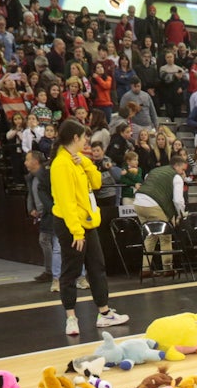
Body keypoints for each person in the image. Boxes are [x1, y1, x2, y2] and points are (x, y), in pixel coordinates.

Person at [50, 119, 129, 336]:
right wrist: (76, 231)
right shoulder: (60, 164)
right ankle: (71, 317)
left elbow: (96, 183)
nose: (86, 141)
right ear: (75, 137)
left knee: (97, 266)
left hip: (87, 222)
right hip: (70, 225)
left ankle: (104, 313)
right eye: (84, 137)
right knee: (71, 270)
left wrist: (85, 162)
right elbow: (66, 202)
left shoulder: (78, 160)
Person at [132, 152, 186, 275]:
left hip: (138, 203)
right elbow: (178, 200)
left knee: (151, 235)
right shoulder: (176, 177)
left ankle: (145, 269)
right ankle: (168, 268)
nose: (183, 173)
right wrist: (181, 215)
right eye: (182, 169)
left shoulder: (155, 170)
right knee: (165, 236)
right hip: (153, 204)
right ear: (176, 166)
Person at [24, 150, 61, 288]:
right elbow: (31, 195)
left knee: (51, 242)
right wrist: (31, 209)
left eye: (27, 159)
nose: (25, 163)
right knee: (46, 240)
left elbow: (49, 194)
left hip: (51, 212)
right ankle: (50, 271)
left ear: (35, 161)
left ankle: (52, 272)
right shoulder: (32, 178)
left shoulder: (45, 175)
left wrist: (49, 209)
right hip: (43, 213)